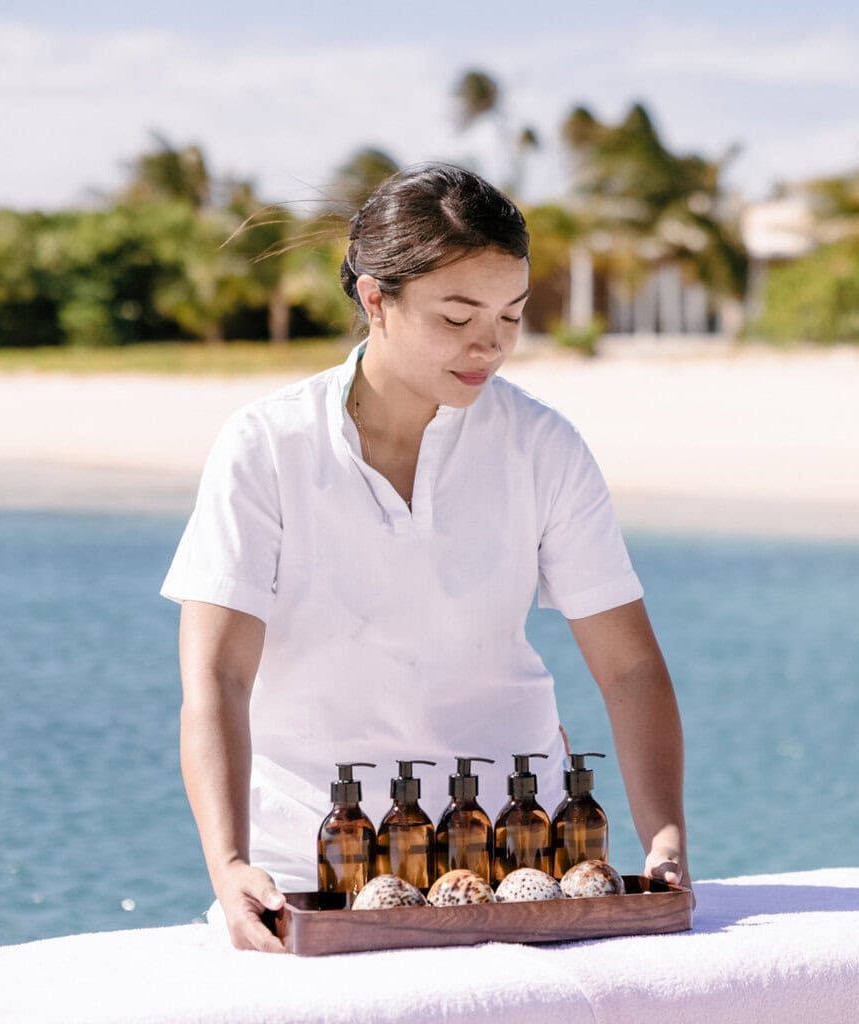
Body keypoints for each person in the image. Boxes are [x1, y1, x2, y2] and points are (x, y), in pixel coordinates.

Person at [161, 163, 687, 953]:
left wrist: (665, 836)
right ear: (376, 300)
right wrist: (228, 862)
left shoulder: (542, 445)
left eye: (512, 315)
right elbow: (217, 675)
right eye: (458, 315)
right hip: (312, 874)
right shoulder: (266, 446)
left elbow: (630, 666)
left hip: (522, 868)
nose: (491, 343)